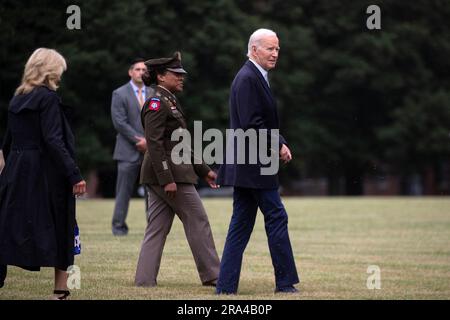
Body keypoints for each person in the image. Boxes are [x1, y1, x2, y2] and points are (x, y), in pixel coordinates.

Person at [216, 29, 299, 294]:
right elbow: (252, 123)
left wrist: (278, 141)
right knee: (276, 216)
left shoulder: (254, 77)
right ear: (254, 50)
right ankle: (285, 284)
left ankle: (226, 288)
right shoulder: (248, 78)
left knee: (240, 225)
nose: (275, 54)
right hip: (254, 165)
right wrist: (278, 144)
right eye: (270, 49)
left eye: (277, 49)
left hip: (250, 165)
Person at [0, 48, 87, 299]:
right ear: (51, 69)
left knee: (8, 227)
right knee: (62, 224)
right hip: (47, 175)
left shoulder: (17, 99)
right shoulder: (48, 98)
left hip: (17, 171)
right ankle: (60, 291)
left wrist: (9, 171)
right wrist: (74, 174)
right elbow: (53, 139)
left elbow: (7, 141)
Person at [134, 52, 220, 287]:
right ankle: (214, 275)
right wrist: (166, 179)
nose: (182, 78)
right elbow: (155, 143)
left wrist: (204, 171)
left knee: (157, 227)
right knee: (198, 220)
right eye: (176, 74)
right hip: (170, 176)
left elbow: (180, 143)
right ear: (161, 77)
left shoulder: (168, 99)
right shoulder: (156, 103)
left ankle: (144, 279)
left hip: (169, 174)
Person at [111, 58, 152, 236]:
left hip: (151, 151)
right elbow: (119, 122)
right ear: (130, 72)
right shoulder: (119, 94)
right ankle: (118, 227)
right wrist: (139, 140)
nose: (141, 72)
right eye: (137, 69)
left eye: (144, 70)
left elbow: (157, 120)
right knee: (123, 193)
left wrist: (150, 141)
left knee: (152, 193)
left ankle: (153, 228)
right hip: (127, 151)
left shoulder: (153, 93)